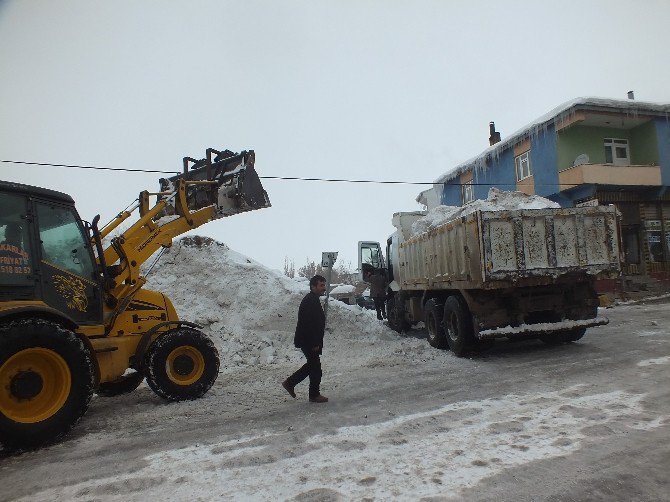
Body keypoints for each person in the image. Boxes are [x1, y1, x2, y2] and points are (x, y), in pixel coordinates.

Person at [282, 275, 329, 403]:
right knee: (315, 367)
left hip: (309, 340)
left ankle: (292, 383)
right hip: (308, 341)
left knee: (312, 366)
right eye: (321, 285)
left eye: (324, 285)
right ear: (313, 286)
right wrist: (314, 342)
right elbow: (308, 324)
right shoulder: (310, 300)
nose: (323, 288)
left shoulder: (313, 299)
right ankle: (312, 393)